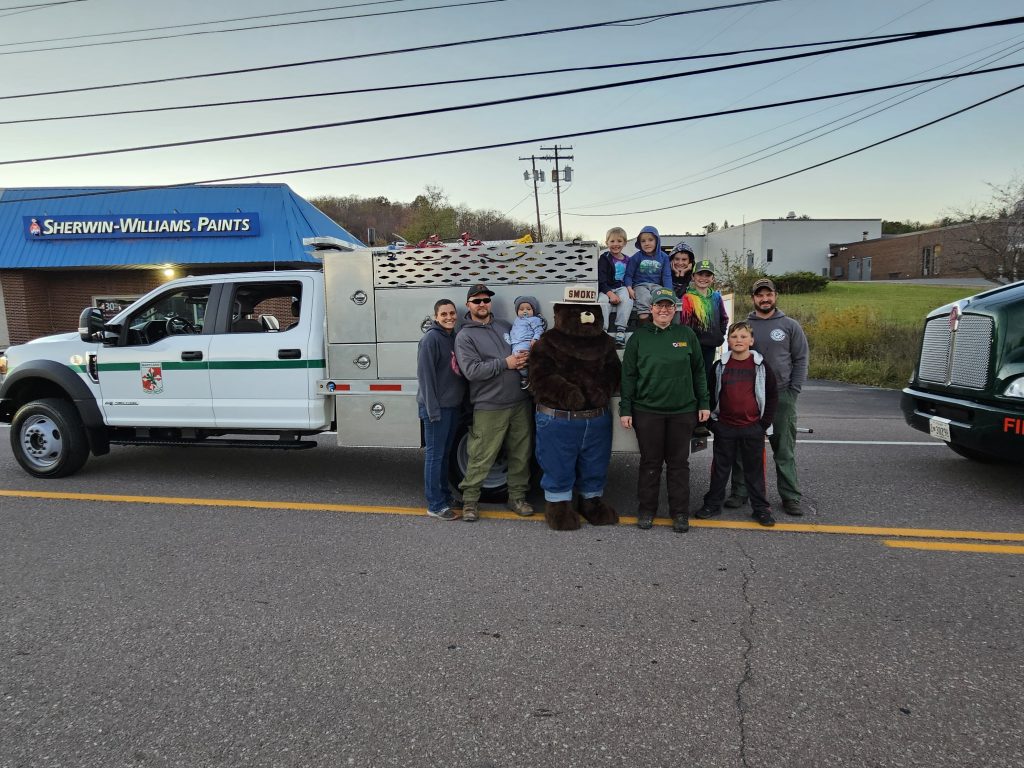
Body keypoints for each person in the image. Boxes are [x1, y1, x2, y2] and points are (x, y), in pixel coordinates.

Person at [619, 287, 710, 533]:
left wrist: (704, 403)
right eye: (659, 305)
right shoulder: (639, 337)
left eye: (668, 306)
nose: (664, 310)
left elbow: (699, 371)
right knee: (650, 462)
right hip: (647, 411)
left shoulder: (686, 334)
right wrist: (625, 409)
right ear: (651, 309)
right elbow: (628, 375)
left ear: (674, 310)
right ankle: (647, 510)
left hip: (683, 411)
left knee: (679, 464)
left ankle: (679, 513)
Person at [726, 278, 809, 516]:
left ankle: (790, 496)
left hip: (782, 395)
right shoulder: (743, 326)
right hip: (748, 396)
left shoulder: (789, 325)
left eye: (768, 294)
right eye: (759, 295)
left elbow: (801, 359)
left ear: (775, 296)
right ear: (753, 298)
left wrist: (793, 391)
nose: (765, 299)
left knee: (783, 449)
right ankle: (740, 492)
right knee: (744, 448)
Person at [454, 284, 535, 522]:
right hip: (489, 405)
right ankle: (470, 501)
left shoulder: (505, 326)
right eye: (476, 301)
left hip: (519, 402)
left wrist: (524, 358)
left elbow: (519, 350)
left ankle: (517, 497)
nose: (482, 304)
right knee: (481, 455)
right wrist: (506, 363)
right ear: (468, 305)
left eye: (486, 300)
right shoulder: (465, 336)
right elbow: (471, 371)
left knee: (520, 454)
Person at [695, 321, 779, 527]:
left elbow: (772, 396)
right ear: (728, 340)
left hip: (752, 427)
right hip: (725, 427)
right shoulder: (720, 365)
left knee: (754, 470)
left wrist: (763, 425)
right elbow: (711, 393)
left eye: (743, 337)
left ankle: (761, 508)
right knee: (720, 469)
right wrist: (713, 424)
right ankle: (713, 504)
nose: (738, 340)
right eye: (734, 337)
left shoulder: (761, 365)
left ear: (751, 340)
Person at [416, 299, 467, 521]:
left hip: (452, 407)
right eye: (444, 314)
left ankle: (445, 496)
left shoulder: (452, 337)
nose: (449, 317)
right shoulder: (431, 339)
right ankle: (435, 504)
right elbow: (425, 378)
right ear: (436, 316)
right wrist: (432, 410)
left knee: (445, 455)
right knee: (434, 457)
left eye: (452, 313)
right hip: (436, 409)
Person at [679, 258, 729, 407]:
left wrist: (720, 334)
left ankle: (704, 411)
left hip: (711, 346)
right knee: (694, 377)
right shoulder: (688, 297)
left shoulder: (716, 297)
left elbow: (724, 318)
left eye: (707, 275)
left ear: (712, 279)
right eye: (700, 274)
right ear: (693, 276)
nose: (703, 278)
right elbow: (685, 323)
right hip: (695, 347)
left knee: (706, 377)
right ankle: (692, 410)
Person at [623, 225, 671, 326]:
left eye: (650, 240)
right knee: (645, 298)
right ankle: (644, 327)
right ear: (639, 243)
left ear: (657, 241)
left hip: (656, 286)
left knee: (661, 298)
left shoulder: (664, 257)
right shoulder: (636, 257)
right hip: (640, 285)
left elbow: (666, 276)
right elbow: (628, 275)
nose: (647, 243)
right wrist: (629, 288)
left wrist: (669, 292)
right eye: (643, 241)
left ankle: (659, 326)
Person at [597, 226, 634, 347]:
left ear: (625, 243)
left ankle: (621, 330)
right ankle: (603, 330)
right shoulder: (604, 258)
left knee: (627, 299)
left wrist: (629, 288)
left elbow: (630, 276)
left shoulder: (628, 260)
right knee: (602, 301)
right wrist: (609, 293)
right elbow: (601, 279)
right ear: (606, 242)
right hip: (606, 287)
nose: (615, 244)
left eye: (619, 241)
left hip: (621, 287)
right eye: (612, 241)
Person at [507, 295, 545, 388]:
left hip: (525, 342)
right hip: (516, 343)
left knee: (520, 359)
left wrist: (535, 339)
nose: (524, 311)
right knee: (516, 360)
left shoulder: (534, 319)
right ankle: (524, 376)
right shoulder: (517, 320)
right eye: (521, 309)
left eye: (528, 309)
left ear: (533, 311)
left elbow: (539, 330)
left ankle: (526, 377)